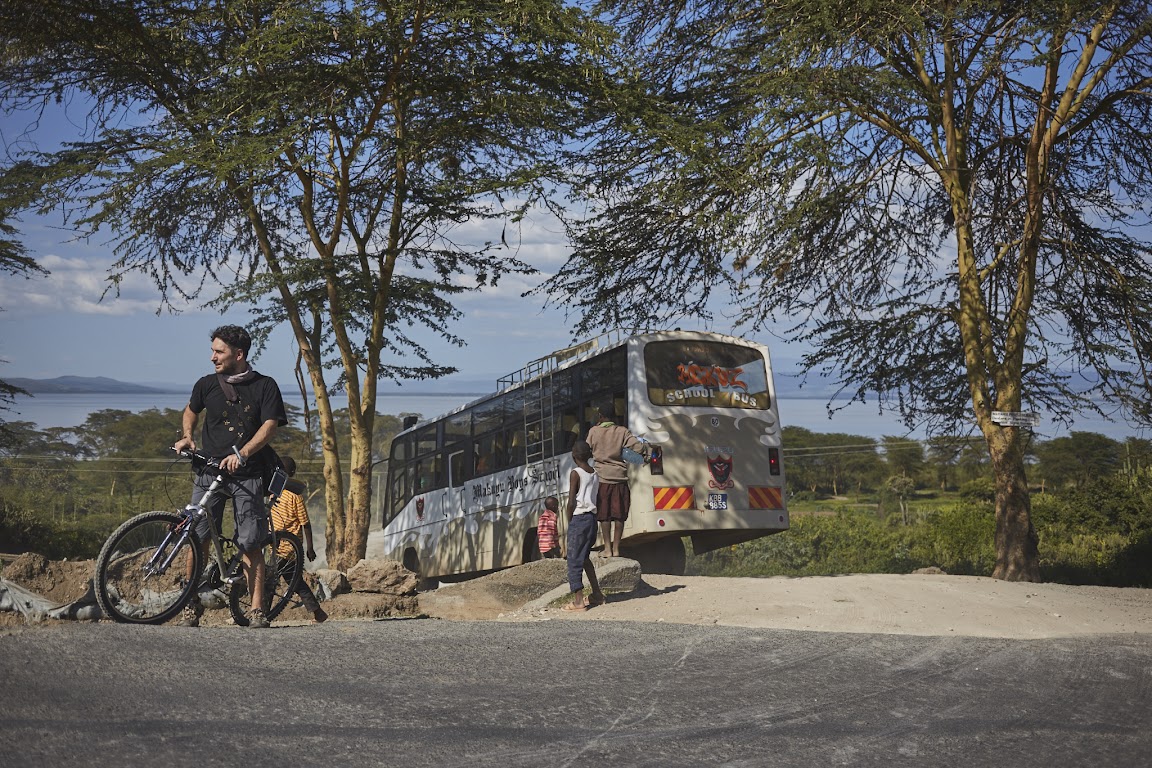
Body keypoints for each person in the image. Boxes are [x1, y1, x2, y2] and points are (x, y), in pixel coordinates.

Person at [172, 324, 287, 629]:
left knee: (250, 542)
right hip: (208, 471)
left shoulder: (265, 386)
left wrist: (243, 454)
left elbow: (270, 426)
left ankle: (258, 610)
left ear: (239, 354)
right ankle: (190, 605)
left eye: (218, 351)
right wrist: (187, 436)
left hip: (247, 474)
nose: (212, 357)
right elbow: (190, 411)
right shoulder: (206, 384)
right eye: (212, 351)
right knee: (196, 537)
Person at [585, 400, 648, 558]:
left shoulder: (594, 431)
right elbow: (638, 447)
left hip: (602, 478)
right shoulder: (622, 431)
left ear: (600, 416)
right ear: (614, 415)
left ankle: (607, 548)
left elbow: (586, 449)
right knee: (619, 514)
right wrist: (646, 450)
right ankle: (617, 548)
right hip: (620, 478)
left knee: (604, 514)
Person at [270, 456, 328, 624]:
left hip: (285, 547)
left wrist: (310, 548)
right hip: (282, 546)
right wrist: (309, 548)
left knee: (269, 581)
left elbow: (305, 524)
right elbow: (306, 524)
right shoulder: (281, 495)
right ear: (294, 473)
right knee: (294, 580)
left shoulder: (276, 495)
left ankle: (260, 612)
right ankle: (318, 612)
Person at [562, 440, 606, 612]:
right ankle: (597, 594)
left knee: (573, 560)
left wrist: (569, 521)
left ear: (574, 455)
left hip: (579, 519)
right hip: (591, 520)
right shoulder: (594, 473)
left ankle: (579, 601)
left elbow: (571, 501)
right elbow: (599, 499)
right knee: (584, 558)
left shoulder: (576, 473)